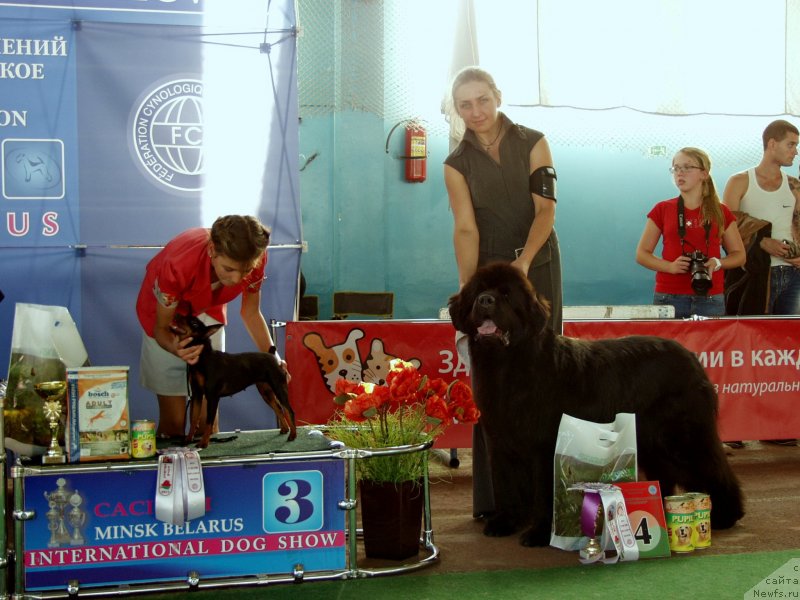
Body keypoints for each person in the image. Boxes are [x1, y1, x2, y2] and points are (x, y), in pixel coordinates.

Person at [444, 66, 562, 518]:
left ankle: (550, 497)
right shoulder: (455, 163)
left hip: (538, 264)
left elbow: (545, 209)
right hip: (491, 274)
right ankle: (496, 501)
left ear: (497, 96)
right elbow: (465, 227)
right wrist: (467, 288)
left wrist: (525, 262)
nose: (475, 111)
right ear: (457, 110)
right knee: (491, 382)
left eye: (482, 100)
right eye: (465, 105)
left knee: (544, 370)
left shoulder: (533, 142)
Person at [136, 215, 287, 439]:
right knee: (173, 424)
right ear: (212, 250)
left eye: (245, 271)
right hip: (163, 316)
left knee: (207, 421)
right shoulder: (178, 263)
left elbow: (251, 313)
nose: (237, 279)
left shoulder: (254, 256)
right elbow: (162, 328)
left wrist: (273, 359)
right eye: (229, 269)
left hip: (207, 310)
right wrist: (176, 348)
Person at [723, 119, 800, 446]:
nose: (794, 151)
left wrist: (796, 254)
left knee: (783, 353)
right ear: (771, 144)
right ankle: (734, 427)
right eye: (790, 144)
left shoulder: (794, 185)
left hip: (791, 276)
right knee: (744, 350)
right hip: (752, 278)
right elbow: (725, 227)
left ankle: (775, 427)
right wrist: (761, 242)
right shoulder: (740, 181)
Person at [636, 147, 745, 318]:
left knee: (710, 338)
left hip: (710, 296)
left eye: (687, 167)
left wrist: (717, 263)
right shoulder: (662, 209)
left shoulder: (720, 211)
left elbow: (739, 255)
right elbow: (642, 254)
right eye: (676, 168)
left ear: (704, 173)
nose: (680, 173)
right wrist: (670, 267)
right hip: (668, 295)